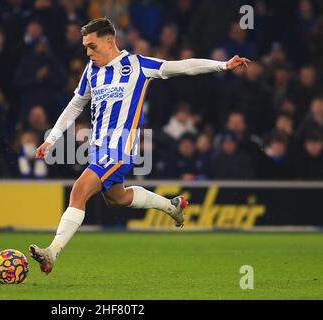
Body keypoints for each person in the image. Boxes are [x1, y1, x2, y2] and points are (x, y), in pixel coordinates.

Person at [29, 18, 250, 274]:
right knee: (117, 197)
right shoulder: (91, 71)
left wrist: (222, 65)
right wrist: (51, 138)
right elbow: (76, 105)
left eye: (92, 46)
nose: (88, 52)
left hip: (120, 149)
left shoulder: (137, 65)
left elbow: (182, 67)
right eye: (85, 47)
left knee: (78, 191)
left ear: (109, 41)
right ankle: (172, 206)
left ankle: (52, 253)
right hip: (99, 149)